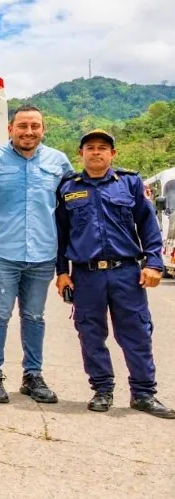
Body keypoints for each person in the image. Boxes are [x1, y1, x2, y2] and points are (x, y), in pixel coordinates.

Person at [54, 130, 174, 419]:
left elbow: (148, 227)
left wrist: (154, 264)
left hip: (126, 274)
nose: (96, 152)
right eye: (90, 148)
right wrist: (61, 272)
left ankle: (144, 393)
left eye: (103, 148)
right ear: (80, 153)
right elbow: (60, 235)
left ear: (113, 154)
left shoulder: (129, 183)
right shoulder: (68, 188)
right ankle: (102, 390)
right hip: (86, 275)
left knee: (137, 334)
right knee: (91, 334)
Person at [0, 104, 73, 404]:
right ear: (10, 128)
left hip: (43, 253)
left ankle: (33, 376)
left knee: (34, 316)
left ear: (43, 129)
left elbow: (73, 203)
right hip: (2, 252)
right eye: (22, 126)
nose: (29, 132)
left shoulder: (59, 162)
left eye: (35, 126)